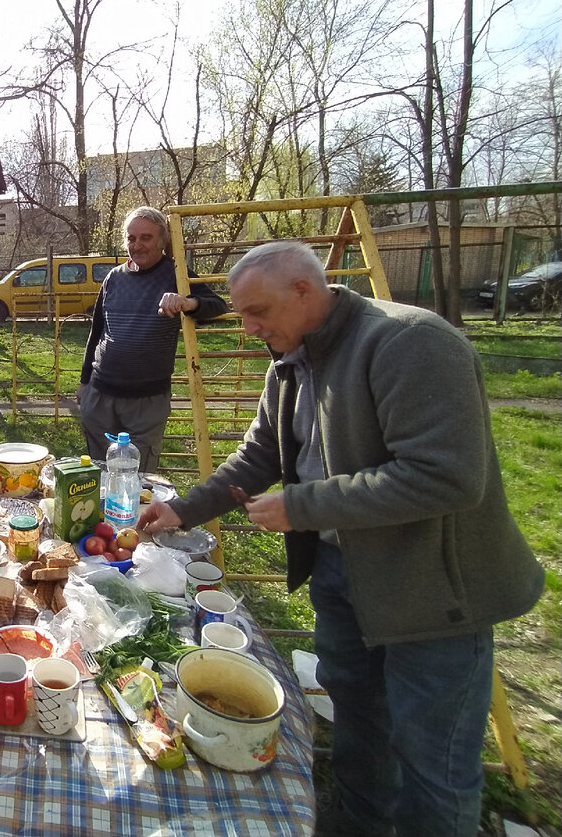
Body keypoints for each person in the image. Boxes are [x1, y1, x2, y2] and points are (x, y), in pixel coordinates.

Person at [138, 241, 544, 837]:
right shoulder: (291, 358)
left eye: (257, 312)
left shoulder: (411, 343)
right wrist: (180, 510)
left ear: (305, 290)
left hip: (429, 596)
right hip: (340, 575)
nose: (247, 328)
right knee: (357, 724)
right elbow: (259, 457)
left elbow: (448, 477)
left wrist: (301, 505)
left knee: (432, 764)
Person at [78, 205, 228, 469]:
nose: (138, 245)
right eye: (131, 238)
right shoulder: (113, 278)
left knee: (138, 476)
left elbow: (217, 304)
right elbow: (97, 331)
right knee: (100, 473)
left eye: (146, 237)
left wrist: (187, 302)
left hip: (146, 403)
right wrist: (84, 383)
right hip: (100, 396)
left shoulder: (176, 275)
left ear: (162, 241)